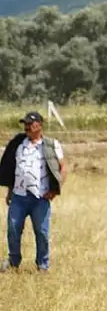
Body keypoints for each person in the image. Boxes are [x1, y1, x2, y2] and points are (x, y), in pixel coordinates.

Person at [0, 111, 66, 273]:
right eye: (25, 124)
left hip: (40, 198)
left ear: (39, 125)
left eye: (30, 124)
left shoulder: (51, 145)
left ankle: (43, 265)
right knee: (13, 229)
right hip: (19, 196)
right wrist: (10, 192)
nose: (27, 127)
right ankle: (13, 261)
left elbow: (62, 168)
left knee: (42, 232)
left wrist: (55, 191)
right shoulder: (18, 144)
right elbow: (12, 169)